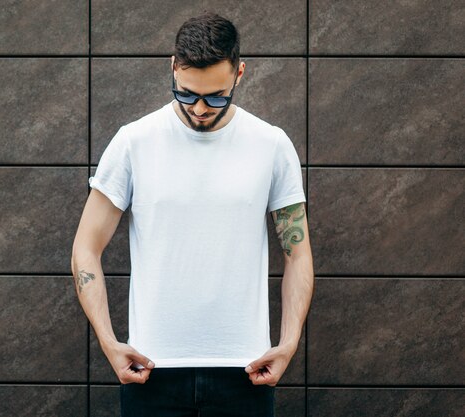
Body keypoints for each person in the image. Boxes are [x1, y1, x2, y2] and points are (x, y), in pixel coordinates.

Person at [71, 11, 314, 417]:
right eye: (187, 93)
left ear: (240, 74)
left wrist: (288, 344)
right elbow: (85, 247)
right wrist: (109, 343)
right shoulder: (134, 142)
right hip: (150, 371)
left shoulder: (271, 145)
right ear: (172, 68)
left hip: (246, 371)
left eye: (216, 96)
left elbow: (298, 253)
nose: (200, 108)